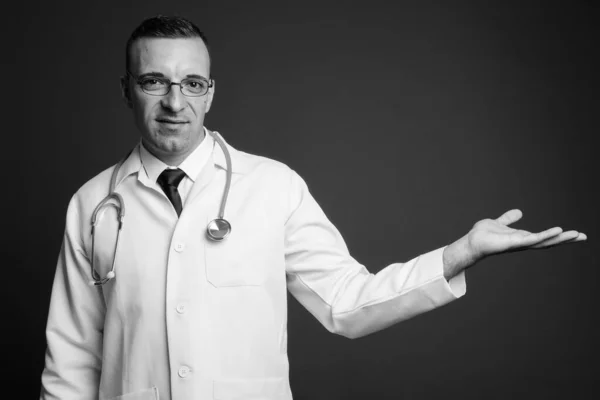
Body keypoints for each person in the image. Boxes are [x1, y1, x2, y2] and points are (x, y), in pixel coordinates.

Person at [39, 15, 587, 400]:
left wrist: (456, 255)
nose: (175, 102)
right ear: (127, 89)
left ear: (210, 91)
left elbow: (346, 303)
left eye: (192, 83)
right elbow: (71, 358)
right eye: (154, 81)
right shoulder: (93, 203)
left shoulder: (273, 186)